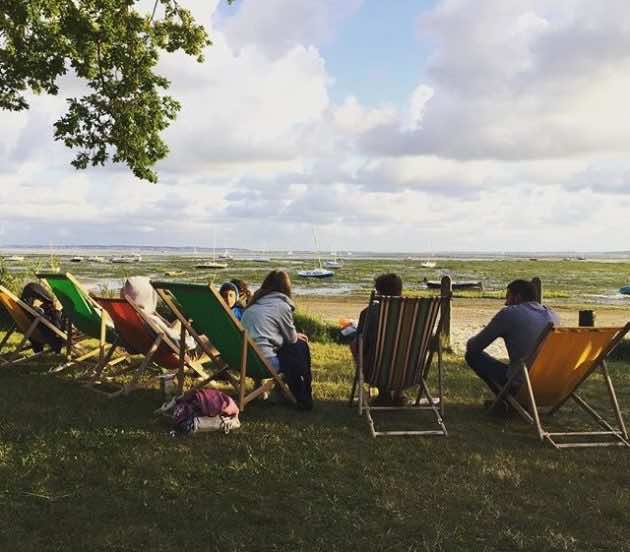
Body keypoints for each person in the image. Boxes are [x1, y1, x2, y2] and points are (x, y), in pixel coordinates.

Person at [465, 279, 559, 400]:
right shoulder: (552, 315)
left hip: (523, 383)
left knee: (472, 355)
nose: (505, 303)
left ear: (517, 297)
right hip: (550, 384)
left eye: (508, 297)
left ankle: (506, 400)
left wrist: (469, 342)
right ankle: (507, 399)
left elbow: (475, 346)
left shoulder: (510, 313)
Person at [350, 273, 404, 405]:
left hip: (376, 371)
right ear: (400, 291)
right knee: (401, 350)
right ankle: (399, 393)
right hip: (409, 371)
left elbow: (362, 343)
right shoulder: (413, 313)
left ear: (379, 292)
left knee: (357, 345)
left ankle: (384, 394)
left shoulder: (369, 313)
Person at [241, 270, 307, 371]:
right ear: (287, 288)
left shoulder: (253, 304)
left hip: (245, 363)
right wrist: (294, 335)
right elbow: (292, 339)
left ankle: (262, 384)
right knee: (300, 347)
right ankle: (300, 386)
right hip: (266, 363)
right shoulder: (282, 306)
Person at [122, 276, 195, 350]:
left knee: (178, 322)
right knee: (204, 339)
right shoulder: (151, 319)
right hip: (172, 347)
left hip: (144, 344)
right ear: (148, 295)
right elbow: (174, 338)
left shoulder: (128, 314)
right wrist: (191, 342)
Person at [20, 281, 65, 353]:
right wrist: (57, 311)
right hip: (52, 333)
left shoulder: (25, 308)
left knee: (32, 287)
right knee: (62, 311)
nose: (40, 299)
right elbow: (56, 326)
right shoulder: (36, 313)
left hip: (35, 331)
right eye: (38, 297)